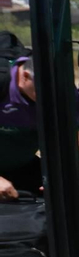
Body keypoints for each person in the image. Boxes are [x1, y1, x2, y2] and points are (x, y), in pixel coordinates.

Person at [0, 56, 42, 199]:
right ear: (25, 76)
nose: (49, 96)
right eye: (43, 89)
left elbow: (78, 141)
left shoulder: (65, 90)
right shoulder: (2, 81)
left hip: (21, 167)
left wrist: (60, 176)